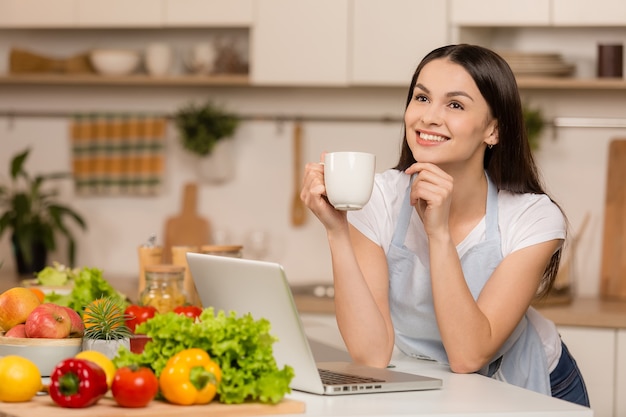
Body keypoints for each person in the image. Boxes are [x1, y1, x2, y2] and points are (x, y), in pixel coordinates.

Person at [300, 44, 589, 407]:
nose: (429, 117)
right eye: (421, 98)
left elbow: (469, 355)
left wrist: (438, 234)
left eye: (455, 105)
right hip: (437, 384)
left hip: (533, 384)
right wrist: (337, 230)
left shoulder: (533, 217)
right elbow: (371, 355)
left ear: (493, 130)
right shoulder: (378, 199)